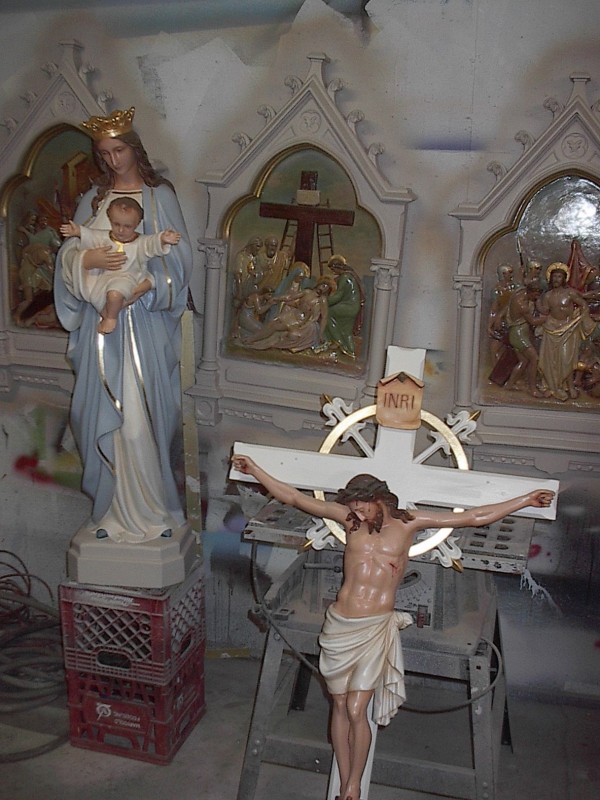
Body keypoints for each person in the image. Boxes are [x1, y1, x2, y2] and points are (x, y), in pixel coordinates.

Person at [230, 454, 555, 800]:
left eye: (362, 506)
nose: (357, 513)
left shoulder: (409, 523)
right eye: (353, 508)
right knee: (339, 706)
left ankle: (353, 784)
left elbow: (473, 517)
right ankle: (345, 781)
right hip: (340, 624)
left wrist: (526, 500)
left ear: (379, 499)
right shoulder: (349, 521)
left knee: (357, 709)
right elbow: (294, 497)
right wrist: (256, 470)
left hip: (373, 627)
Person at [54, 107, 192, 544]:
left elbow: (180, 261)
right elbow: (69, 253)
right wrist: (86, 259)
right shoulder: (94, 200)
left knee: (138, 425)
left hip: (144, 329)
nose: (113, 160)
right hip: (99, 330)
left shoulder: (159, 197)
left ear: (134, 148)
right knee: (99, 419)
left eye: (119, 150)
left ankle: (153, 510)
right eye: (104, 153)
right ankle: (109, 512)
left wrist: (146, 286)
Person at [60, 196, 181, 334]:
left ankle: (111, 318)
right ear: (110, 220)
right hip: (105, 279)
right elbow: (91, 235)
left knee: (115, 294)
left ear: (137, 224)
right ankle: (106, 313)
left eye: (127, 226)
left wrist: (163, 239)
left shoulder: (140, 242)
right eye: (116, 224)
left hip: (127, 279)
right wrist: (78, 232)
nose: (121, 230)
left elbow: (152, 242)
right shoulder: (105, 237)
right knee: (96, 297)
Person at [537, 263, 595, 401]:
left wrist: (580, 318)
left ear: (564, 279)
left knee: (566, 359)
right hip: (551, 329)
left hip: (568, 328)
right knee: (551, 360)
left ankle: (570, 386)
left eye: (559, 277)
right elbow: (545, 311)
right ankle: (553, 386)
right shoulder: (548, 296)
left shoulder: (570, 293)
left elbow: (583, 304)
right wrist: (537, 302)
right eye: (554, 276)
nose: (556, 279)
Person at [505, 279, 546, 396]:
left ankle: (509, 385)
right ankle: (532, 389)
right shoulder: (522, 304)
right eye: (535, 295)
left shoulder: (522, 293)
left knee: (524, 361)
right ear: (530, 292)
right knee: (534, 359)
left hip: (518, 333)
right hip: (518, 334)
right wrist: (547, 318)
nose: (536, 298)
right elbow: (533, 321)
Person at [323, 254, 364, 358]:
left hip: (348, 306)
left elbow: (338, 296)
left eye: (333, 269)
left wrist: (323, 302)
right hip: (353, 307)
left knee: (327, 314)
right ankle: (351, 352)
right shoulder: (350, 275)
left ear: (337, 267)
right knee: (347, 332)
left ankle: (338, 341)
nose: (333, 272)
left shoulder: (345, 277)